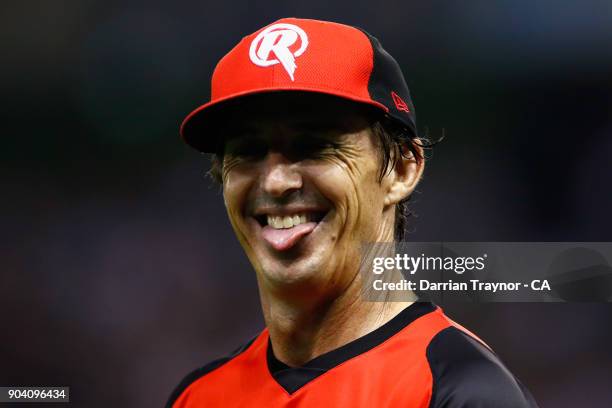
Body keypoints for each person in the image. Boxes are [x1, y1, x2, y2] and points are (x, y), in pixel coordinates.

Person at [166, 17, 538, 407]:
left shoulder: (462, 393)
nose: (275, 181)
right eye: (248, 151)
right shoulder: (199, 397)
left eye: (313, 146)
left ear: (402, 168)